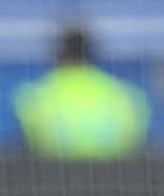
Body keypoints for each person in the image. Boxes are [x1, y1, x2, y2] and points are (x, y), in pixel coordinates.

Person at [12, 24, 150, 160]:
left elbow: (27, 149)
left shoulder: (35, 96)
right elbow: (137, 147)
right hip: (117, 176)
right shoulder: (124, 94)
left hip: (56, 176)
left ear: (56, 53)